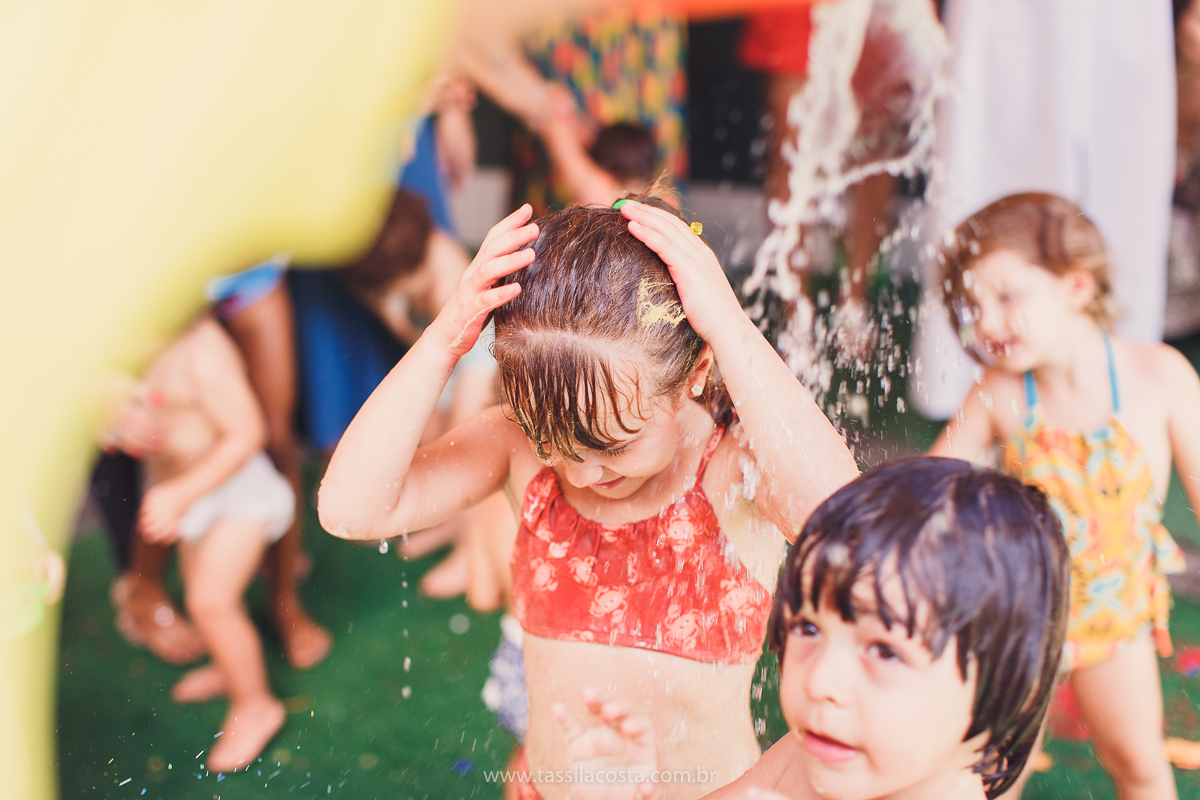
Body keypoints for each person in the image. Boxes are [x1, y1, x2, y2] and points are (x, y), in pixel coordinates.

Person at [318, 194, 860, 799]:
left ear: (696, 373)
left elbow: (854, 531)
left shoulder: (732, 469)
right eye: (554, 444)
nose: (580, 474)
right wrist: (446, 337)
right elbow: (350, 509)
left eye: (614, 444)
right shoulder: (513, 448)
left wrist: (730, 327)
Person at [552, 457, 1069, 800]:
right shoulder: (809, 756)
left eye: (885, 652)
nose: (822, 681)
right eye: (809, 628)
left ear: (1007, 688)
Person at [929, 193, 1200, 799]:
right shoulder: (1002, 392)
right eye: (973, 306)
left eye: (1007, 296)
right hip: (1021, 619)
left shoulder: (1158, 379)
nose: (988, 323)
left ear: (1077, 286)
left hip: (1113, 616)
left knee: (1137, 763)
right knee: (994, 771)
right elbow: (930, 484)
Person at [109, 316, 291, 772]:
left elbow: (248, 434)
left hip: (236, 497)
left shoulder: (203, 354)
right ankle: (232, 669)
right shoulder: (144, 342)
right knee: (198, 586)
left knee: (211, 601)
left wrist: (181, 492)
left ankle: (256, 705)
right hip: (193, 496)